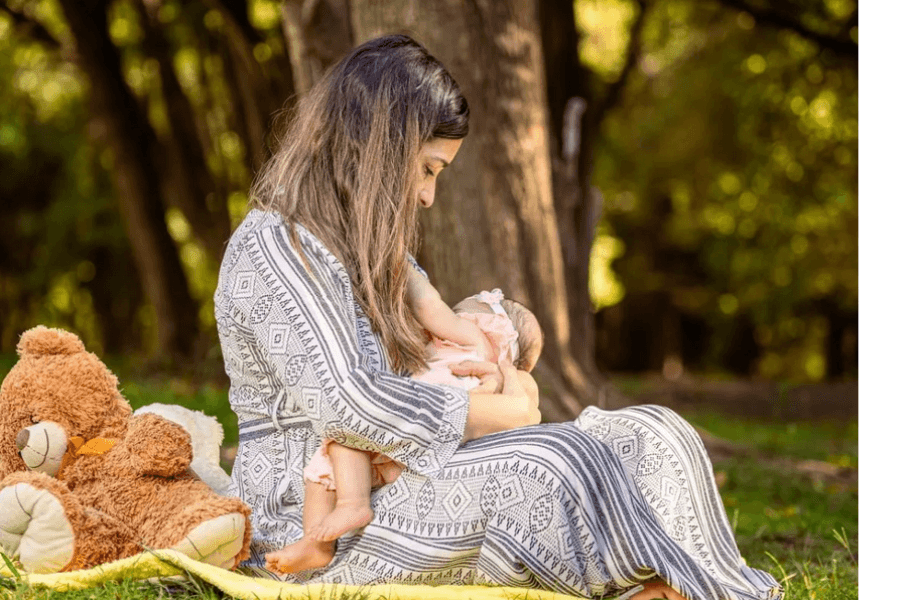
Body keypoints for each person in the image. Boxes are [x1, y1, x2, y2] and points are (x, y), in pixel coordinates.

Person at [214, 34, 782, 600]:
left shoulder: (375, 253)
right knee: (552, 463)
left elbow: (434, 360)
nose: (429, 196)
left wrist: (502, 382)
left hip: (406, 468)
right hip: (318, 510)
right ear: (378, 148)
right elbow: (348, 404)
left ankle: (691, 588)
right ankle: (649, 587)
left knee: (653, 435)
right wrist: (507, 409)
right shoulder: (274, 247)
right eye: (429, 169)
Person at [264, 286, 544, 575]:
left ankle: (350, 505)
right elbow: (525, 402)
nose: (452, 314)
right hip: (420, 451)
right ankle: (316, 544)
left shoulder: (474, 341)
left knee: (342, 443)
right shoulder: (474, 368)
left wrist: (409, 274)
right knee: (338, 448)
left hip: (412, 430)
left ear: (490, 327)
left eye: (461, 310)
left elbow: (429, 305)